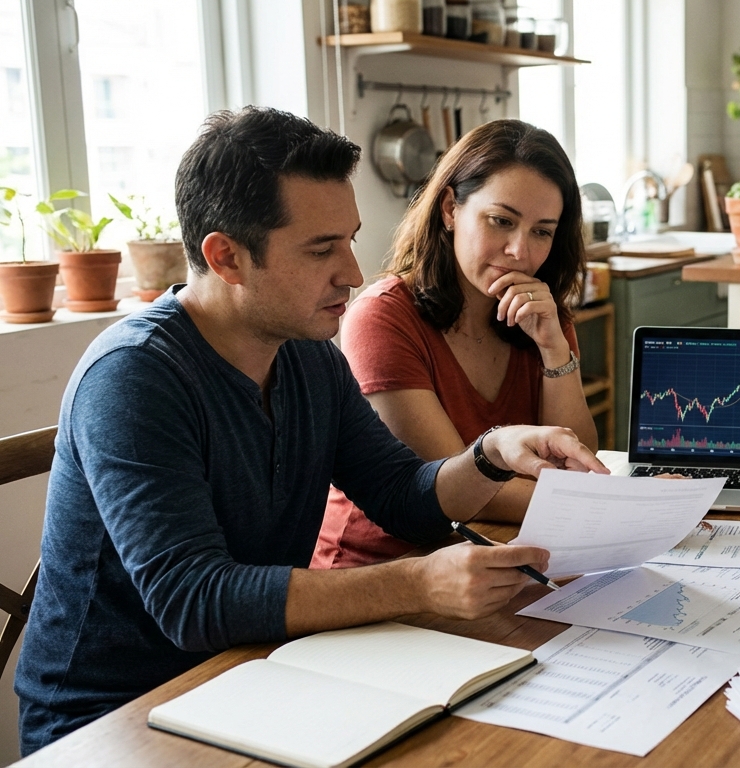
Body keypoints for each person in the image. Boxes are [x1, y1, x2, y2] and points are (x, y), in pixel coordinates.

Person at [13, 107, 606, 755]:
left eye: (349, 240)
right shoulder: (134, 378)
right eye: (322, 248)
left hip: (258, 676)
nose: (352, 272)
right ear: (227, 257)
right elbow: (193, 601)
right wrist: (417, 583)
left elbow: (402, 494)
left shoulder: (306, 352)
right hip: (112, 720)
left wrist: (491, 454)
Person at [312, 119, 595, 569]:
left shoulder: (541, 313)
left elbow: (580, 458)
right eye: (501, 221)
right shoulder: (382, 316)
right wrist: (611, 505)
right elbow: (461, 490)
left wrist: (554, 350)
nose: (520, 251)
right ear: (449, 209)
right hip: (384, 569)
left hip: (497, 552)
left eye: (542, 231)